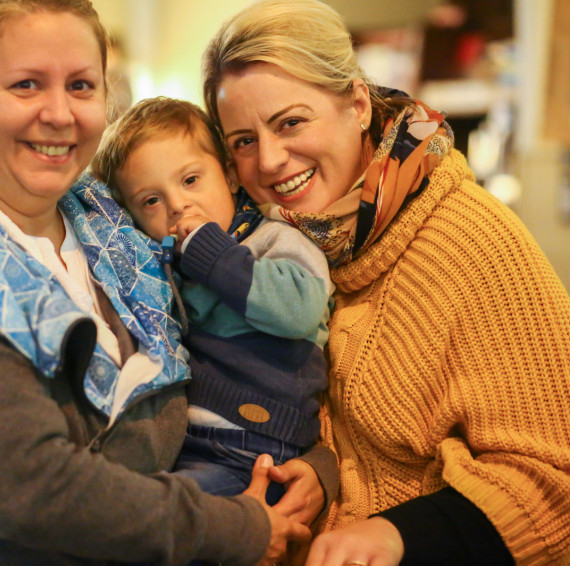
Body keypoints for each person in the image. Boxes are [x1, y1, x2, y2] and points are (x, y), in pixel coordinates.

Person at [0, 1, 322, 565]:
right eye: (26, 84)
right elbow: (30, 489)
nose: (59, 114)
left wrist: (311, 467)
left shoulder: (108, 217)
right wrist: (233, 527)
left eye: (80, 86)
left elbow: (249, 361)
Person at [201, 1, 570, 564]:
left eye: (291, 122)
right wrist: (320, 474)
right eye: (243, 141)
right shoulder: (270, 250)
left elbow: (553, 479)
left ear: (356, 104)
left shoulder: (473, 240)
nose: (270, 161)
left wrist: (396, 534)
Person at [91, 97, 336, 509]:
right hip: (191, 444)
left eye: (190, 180)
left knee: (160, 513)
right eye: (151, 201)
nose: (177, 205)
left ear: (230, 176)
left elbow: (300, 312)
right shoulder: (165, 268)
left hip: (257, 446)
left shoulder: (273, 239)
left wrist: (214, 253)